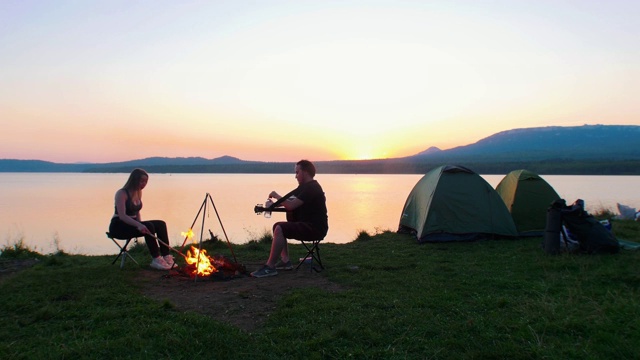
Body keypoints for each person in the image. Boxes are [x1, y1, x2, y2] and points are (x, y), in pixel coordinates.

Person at [251, 160, 328, 278]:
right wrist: (272, 206)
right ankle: (285, 261)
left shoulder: (312, 188)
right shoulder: (303, 188)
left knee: (280, 228)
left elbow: (291, 205)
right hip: (307, 225)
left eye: (297, 172)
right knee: (278, 226)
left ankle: (270, 267)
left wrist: (276, 195)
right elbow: (289, 202)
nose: (295, 176)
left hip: (315, 228)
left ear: (305, 172)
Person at [109, 168, 174, 270]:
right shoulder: (121, 193)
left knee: (161, 224)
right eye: (141, 181)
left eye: (146, 182)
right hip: (119, 226)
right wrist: (139, 225)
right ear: (134, 180)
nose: (144, 184)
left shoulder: (138, 193)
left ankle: (166, 256)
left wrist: (140, 224)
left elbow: (137, 212)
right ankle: (156, 259)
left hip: (132, 224)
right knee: (149, 225)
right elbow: (122, 216)